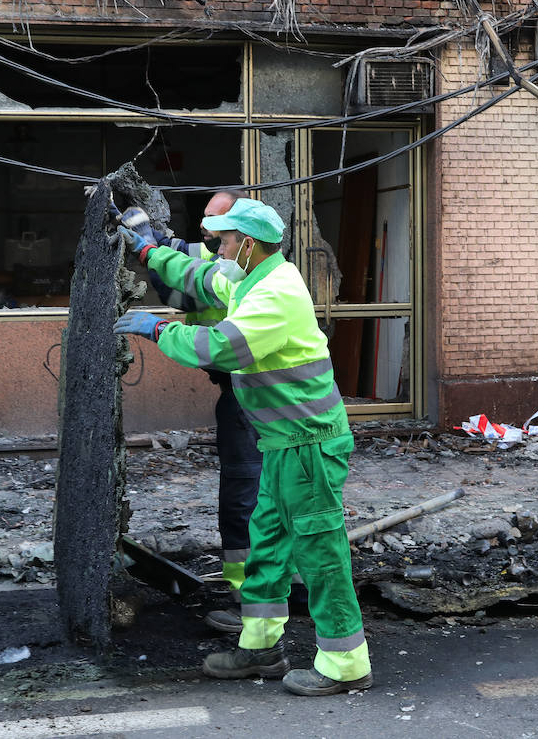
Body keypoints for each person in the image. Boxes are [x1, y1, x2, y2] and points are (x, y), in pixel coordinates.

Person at [113, 198, 372, 696]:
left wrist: (160, 328)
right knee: (268, 545)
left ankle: (346, 664)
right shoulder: (251, 276)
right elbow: (196, 275)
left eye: (225, 240)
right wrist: (148, 251)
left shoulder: (274, 294)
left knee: (319, 551)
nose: (218, 249)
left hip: (309, 445)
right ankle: (260, 648)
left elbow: (221, 348)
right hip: (283, 442)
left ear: (248, 244)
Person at [141, 189, 265, 634]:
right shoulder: (237, 261)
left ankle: (253, 605)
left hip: (253, 398)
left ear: (242, 236)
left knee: (245, 498)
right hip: (256, 399)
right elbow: (186, 257)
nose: (206, 232)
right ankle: (283, 591)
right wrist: (149, 239)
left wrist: (159, 328)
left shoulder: (241, 273)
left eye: (217, 228)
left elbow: (187, 288)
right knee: (264, 498)